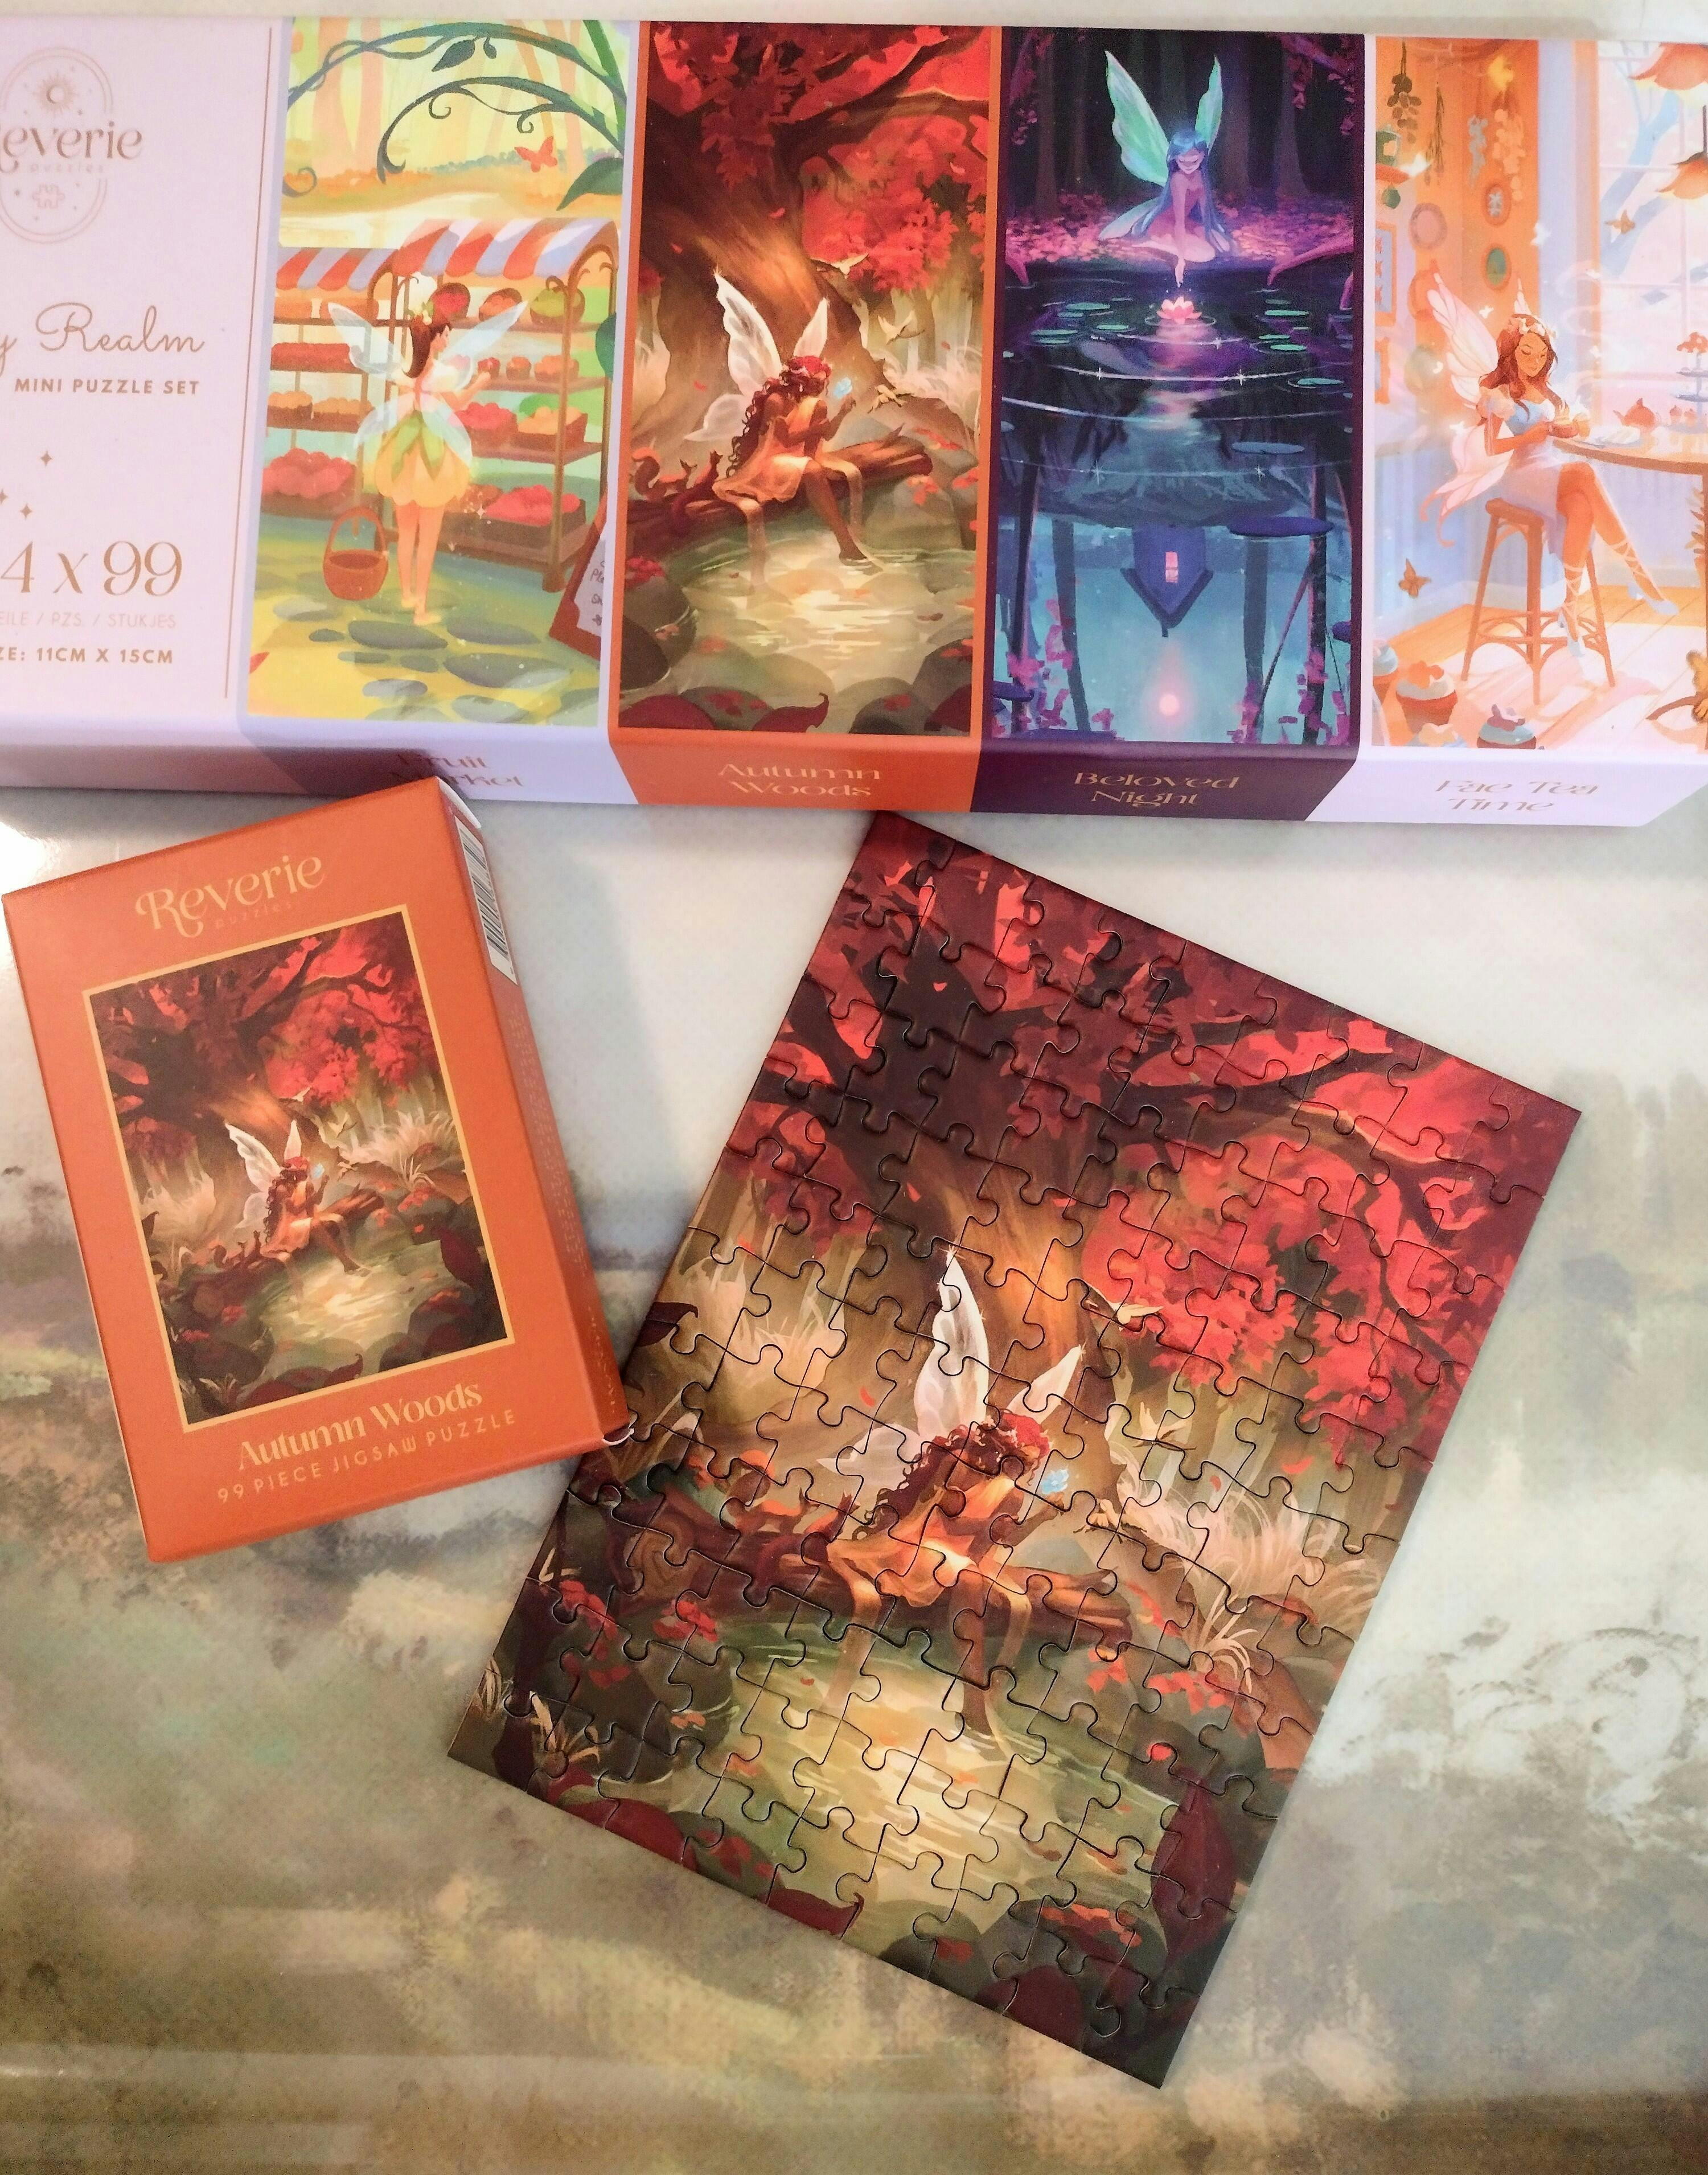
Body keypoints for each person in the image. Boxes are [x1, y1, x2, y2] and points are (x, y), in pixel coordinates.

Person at [711, 353, 872, 569]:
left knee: (813, 467)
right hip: (770, 462)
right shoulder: (777, 401)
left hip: (796, 460)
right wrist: (815, 430)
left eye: (822, 383)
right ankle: (846, 544)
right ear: (801, 381)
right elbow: (785, 441)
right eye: (816, 383)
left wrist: (842, 413)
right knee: (812, 470)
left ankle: (846, 544)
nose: (820, 388)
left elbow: (826, 434)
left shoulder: (813, 405)